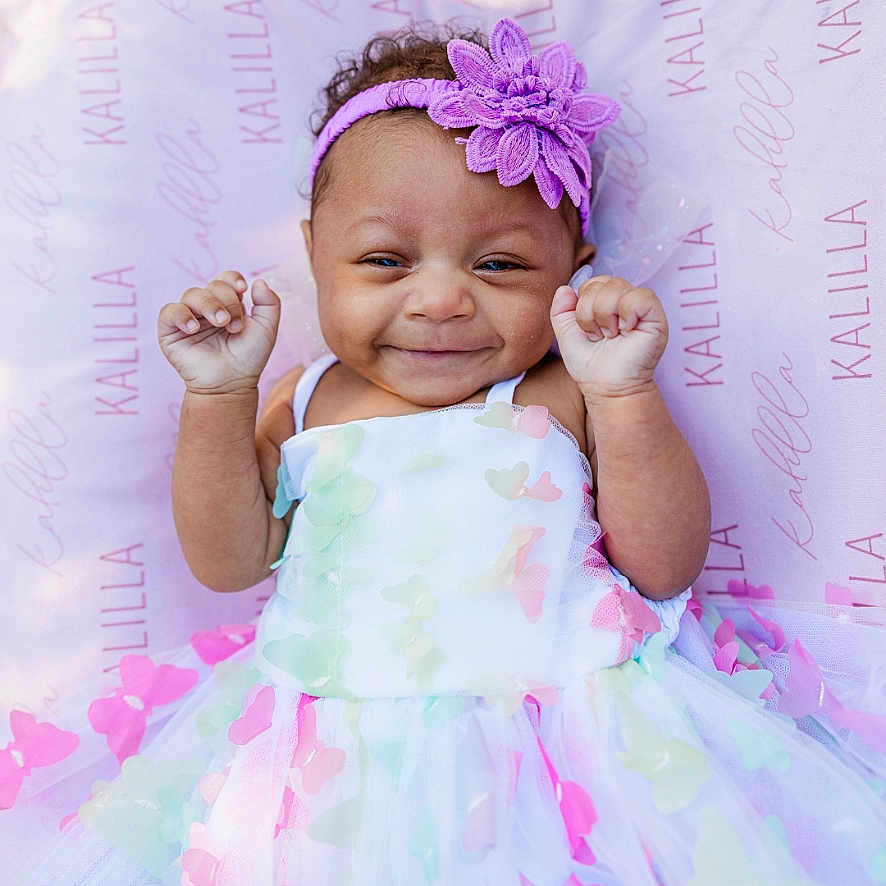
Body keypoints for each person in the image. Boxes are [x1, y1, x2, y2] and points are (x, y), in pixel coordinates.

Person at [9, 17, 886, 886]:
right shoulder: (309, 398)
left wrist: (623, 394)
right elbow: (229, 562)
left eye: (500, 267)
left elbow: (661, 568)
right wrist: (217, 395)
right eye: (386, 261)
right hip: (330, 776)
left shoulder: (563, 389)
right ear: (315, 252)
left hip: (573, 749)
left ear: (570, 271)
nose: (440, 300)